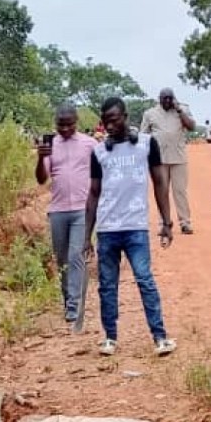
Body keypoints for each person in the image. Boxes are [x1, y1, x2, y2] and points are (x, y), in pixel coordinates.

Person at [85, 96, 176, 358]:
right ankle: (110, 338)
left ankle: (160, 337)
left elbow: (160, 183)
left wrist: (166, 222)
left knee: (145, 280)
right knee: (107, 285)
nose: (109, 125)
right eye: (105, 121)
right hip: (106, 229)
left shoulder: (147, 144)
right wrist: (86, 236)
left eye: (114, 119)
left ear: (125, 117)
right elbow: (93, 193)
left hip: (136, 227)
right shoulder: (99, 151)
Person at [35, 104, 92, 329]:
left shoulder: (89, 144)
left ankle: (74, 306)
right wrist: (40, 158)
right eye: (61, 125)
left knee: (76, 255)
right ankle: (68, 299)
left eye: (70, 124)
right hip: (58, 210)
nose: (66, 129)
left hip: (81, 209)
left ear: (76, 122)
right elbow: (41, 179)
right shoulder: (50, 145)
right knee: (62, 260)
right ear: (55, 123)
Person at [139, 88, 198, 233]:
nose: (167, 101)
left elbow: (192, 127)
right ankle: (164, 223)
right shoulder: (150, 114)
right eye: (164, 98)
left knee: (180, 191)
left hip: (178, 157)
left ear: (174, 98)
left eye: (169, 98)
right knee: (162, 191)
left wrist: (179, 110)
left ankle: (185, 222)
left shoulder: (182, 110)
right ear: (159, 99)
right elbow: (143, 135)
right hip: (159, 160)